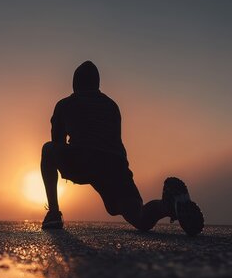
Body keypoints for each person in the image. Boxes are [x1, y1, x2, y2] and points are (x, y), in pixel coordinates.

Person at [41, 60, 204, 235]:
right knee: (140, 217)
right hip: (115, 165)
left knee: (48, 150)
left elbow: (58, 142)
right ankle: (168, 206)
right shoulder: (112, 106)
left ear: (75, 83)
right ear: (97, 84)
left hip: (84, 159)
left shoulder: (65, 104)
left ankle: (54, 213)